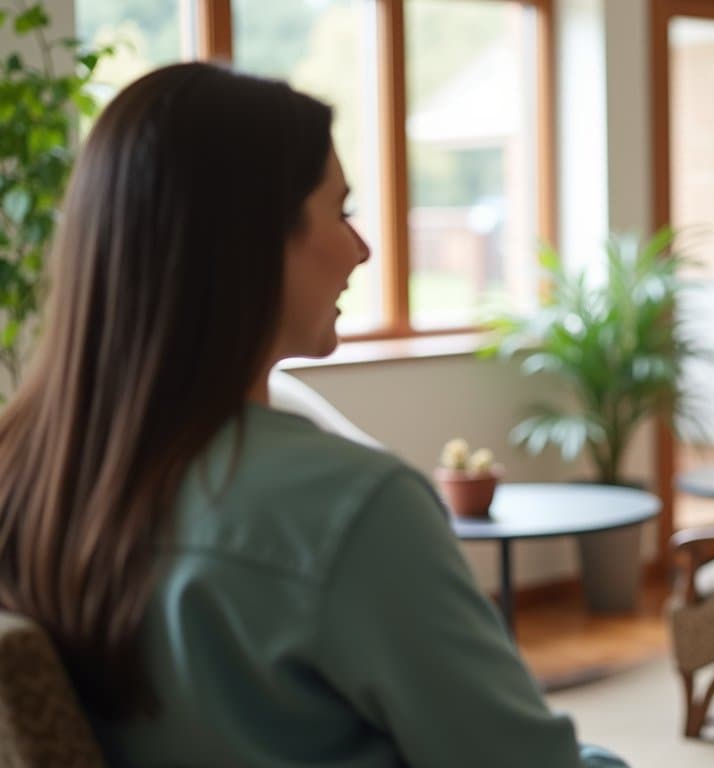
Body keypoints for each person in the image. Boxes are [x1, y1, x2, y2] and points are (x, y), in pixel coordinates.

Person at [0, 62, 624, 768]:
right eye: (342, 210)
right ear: (251, 240)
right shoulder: (351, 509)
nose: (362, 249)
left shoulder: (22, 473)